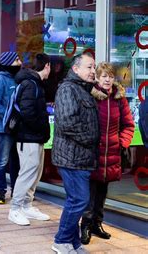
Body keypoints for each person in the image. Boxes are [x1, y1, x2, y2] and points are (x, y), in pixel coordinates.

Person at [80, 62, 134, 245]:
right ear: (97, 77)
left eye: (110, 76)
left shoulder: (119, 98)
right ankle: (85, 225)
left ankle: (97, 224)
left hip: (111, 152)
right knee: (90, 190)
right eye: (104, 76)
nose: (108, 79)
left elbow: (128, 125)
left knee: (103, 190)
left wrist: (122, 142)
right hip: (93, 151)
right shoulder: (90, 96)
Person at [51, 53, 100, 254]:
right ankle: (61, 241)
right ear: (75, 69)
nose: (93, 71)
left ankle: (73, 242)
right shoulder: (68, 89)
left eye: (94, 67)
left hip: (81, 157)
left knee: (77, 199)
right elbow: (67, 122)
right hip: (71, 157)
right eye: (89, 67)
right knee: (79, 199)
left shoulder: (83, 90)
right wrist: (90, 139)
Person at [8, 53, 51, 226]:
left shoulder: (35, 84)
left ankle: (26, 205)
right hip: (28, 137)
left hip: (35, 136)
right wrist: (40, 128)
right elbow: (27, 113)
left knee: (35, 172)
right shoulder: (30, 84)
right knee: (27, 172)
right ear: (46, 66)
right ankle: (15, 208)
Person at [0, 51, 22, 204]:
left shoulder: (17, 78)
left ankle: (16, 190)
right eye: (16, 60)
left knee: (16, 160)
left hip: (18, 128)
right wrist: (10, 118)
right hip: (5, 128)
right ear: (9, 63)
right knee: (3, 160)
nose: (20, 62)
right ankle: (0, 191)